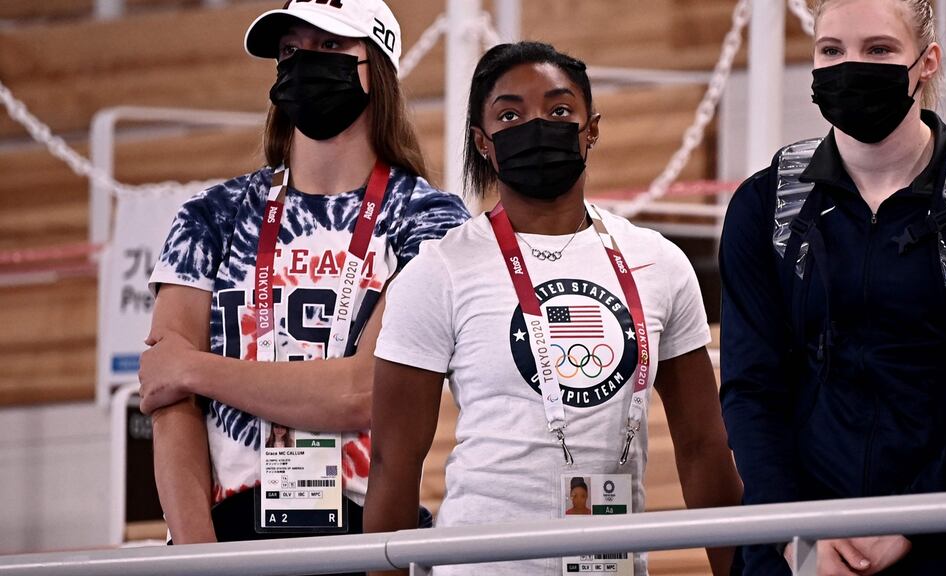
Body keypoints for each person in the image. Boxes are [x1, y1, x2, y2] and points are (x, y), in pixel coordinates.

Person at [363, 41, 742, 576]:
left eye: (559, 110)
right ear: (483, 142)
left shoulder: (659, 262)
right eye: (510, 114)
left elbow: (704, 446)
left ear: (592, 129)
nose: (536, 125)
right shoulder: (438, 270)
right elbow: (393, 468)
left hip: (612, 565)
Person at [138, 0, 470, 559]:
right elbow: (168, 402)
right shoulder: (210, 215)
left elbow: (367, 392)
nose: (304, 62)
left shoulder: (431, 219)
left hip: (368, 532)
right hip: (225, 535)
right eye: (290, 50)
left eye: (331, 47)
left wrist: (194, 368)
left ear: (377, 68)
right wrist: (197, 560)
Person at [719, 0, 946, 574]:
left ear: (926, 61)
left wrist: (912, 521)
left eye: (879, 50)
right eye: (831, 51)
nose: (850, 66)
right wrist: (794, 534)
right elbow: (749, 388)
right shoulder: (764, 205)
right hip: (798, 540)